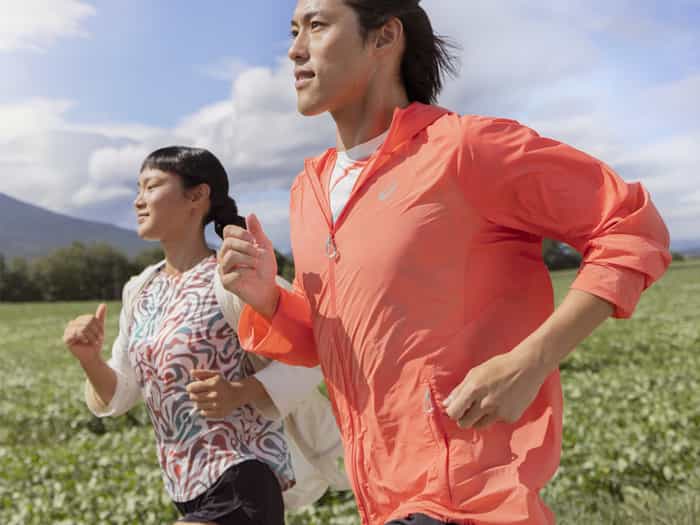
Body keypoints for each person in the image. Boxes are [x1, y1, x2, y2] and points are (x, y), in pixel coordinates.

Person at [217, 1, 671, 524]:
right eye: (293, 31)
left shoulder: (464, 149)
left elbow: (631, 225)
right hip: (383, 500)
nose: (295, 50)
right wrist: (268, 299)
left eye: (316, 26)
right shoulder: (308, 191)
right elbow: (336, 340)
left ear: (384, 37)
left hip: (473, 500)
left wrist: (533, 359)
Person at [62, 146, 347, 525]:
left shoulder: (235, 278)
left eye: (152, 187)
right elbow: (121, 393)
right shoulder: (140, 290)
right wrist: (89, 359)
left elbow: (310, 354)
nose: (138, 200)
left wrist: (240, 391)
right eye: (138, 189)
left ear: (197, 196)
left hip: (244, 475)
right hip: (185, 487)